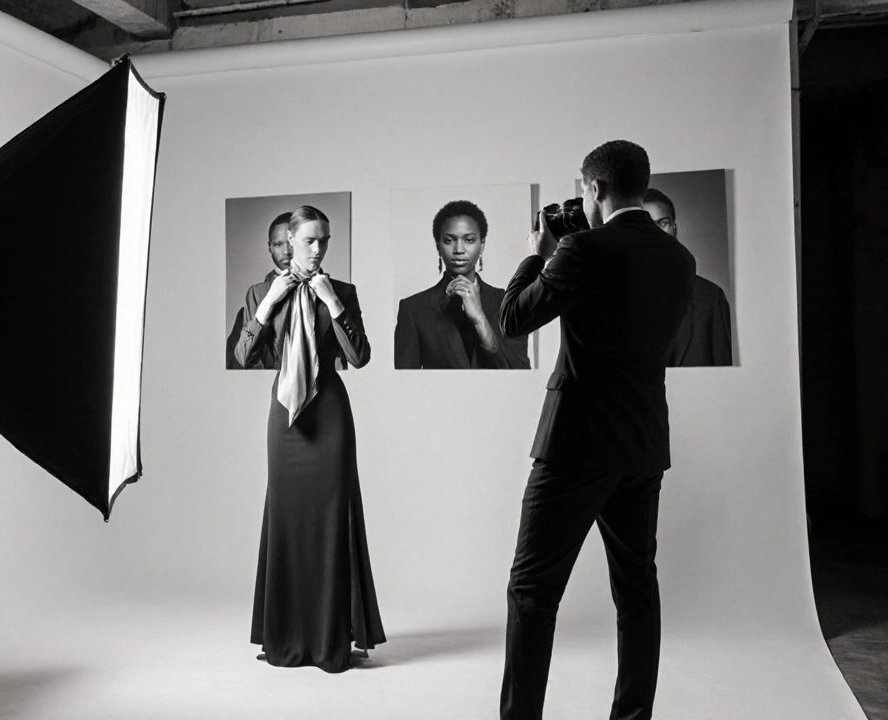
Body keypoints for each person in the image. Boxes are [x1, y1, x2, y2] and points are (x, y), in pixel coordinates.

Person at [497, 140, 695, 720]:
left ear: (595, 188)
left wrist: (537, 253)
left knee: (532, 592)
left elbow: (513, 320)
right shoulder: (678, 259)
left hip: (575, 446)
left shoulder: (581, 248)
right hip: (642, 445)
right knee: (637, 591)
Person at [236, 205, 385, 672]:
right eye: (309, 241)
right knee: (287, 519)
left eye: (324, 240)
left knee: (330, 521)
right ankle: (287, 636)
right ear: (290, 240)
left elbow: (359, 357)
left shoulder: (342, 290)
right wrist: (267, 304)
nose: (318, 249)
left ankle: (331, 638)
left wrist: (333, 302)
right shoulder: (261, 290)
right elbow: (244, 355)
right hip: (285, 421)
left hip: (330, 415)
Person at [394, 200, 529, 369]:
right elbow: (404, 384)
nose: (459, 249)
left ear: (482, 245)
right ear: (438, 247)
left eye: (469, 240)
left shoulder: (509, 304)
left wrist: (480, 320)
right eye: (449, 240)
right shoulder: (413, 309)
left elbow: (521, 374)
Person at [643, 188, 733, 366]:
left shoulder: (711, 298)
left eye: (663, 223)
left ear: (675, 228)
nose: (657, 234)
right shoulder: (614, 299)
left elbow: (727, 377)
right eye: (647, 226)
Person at [227, 212, 293, 369]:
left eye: (291, 243)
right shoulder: (255, 298)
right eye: (278, 244)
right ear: (270, 247)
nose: (286, 251)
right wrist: (268, 302)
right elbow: (238, 363)